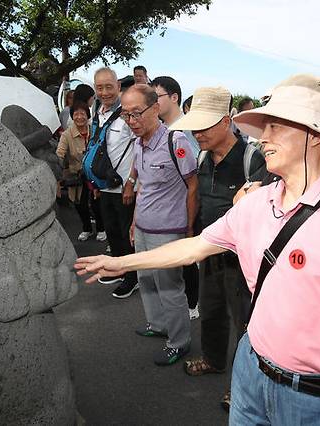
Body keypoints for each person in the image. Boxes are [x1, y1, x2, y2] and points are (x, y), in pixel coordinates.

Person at [77, 74, 320, 426]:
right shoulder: (256, 204)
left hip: (319, 401)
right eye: (263, 128)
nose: (263, 138)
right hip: (250, 374)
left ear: (316, 135)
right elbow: (195, 247)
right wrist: (121, 262)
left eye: (275, 127)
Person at [170, 85, 267, 411]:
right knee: (210, 311)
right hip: (209, 251)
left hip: (243, 260)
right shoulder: (201, 155)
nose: (196, 133)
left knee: (245, 323)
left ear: (226, 122)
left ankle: (243, 385)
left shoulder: (253, 157)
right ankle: (213, 359)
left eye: (204, 126)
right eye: (193, 125)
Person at [121, 84, 198, 365]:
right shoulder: (138, 144)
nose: (132, 121)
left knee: (169, 287)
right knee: (146, 280)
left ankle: (179, 342)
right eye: (126, 115)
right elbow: (144, 187)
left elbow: (192, 186)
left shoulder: (176, 142)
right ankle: (158, 325)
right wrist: (134, 223)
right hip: (143, 228)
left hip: (168, 232)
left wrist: (189, 229)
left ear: (155, 108)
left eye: (137, 113)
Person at [151, 76, 201, 320]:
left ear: (174, 98)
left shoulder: (188, 129)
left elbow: (194, 174)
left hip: (185, 207)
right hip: (165, 210)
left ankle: (192, 303)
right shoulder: (158, 130)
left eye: (156, 96)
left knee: (187, 258)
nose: (152, 102)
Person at [93, 67, 139, 298]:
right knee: (112, 232)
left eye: (109, 86)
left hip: (124, 187)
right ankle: (119, 270)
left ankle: (133, 277)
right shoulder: (97, 113)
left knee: (126, 233)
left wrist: (131, 183)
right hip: (104, 185)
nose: (104, 92)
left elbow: (138, 149)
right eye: (99, 87)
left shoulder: (127, 113)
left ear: (119, 87)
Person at [57, 101, 106, 242]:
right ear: (72, 116)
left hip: (94, 174)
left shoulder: (94, 130)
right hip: (76, 175)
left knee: (97, 203)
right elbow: (60, 153)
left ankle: (101, 229)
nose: (79, 117)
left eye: (82, 114)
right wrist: (58, 165)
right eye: (76, 114)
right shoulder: (67, 135)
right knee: (80, 204)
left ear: (88, 115)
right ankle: (87, 229)